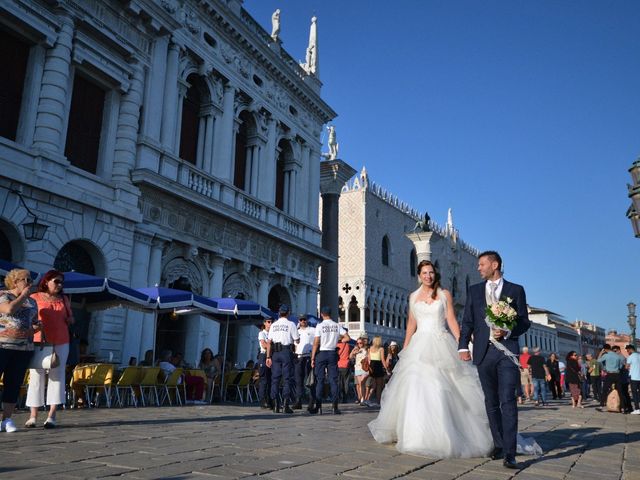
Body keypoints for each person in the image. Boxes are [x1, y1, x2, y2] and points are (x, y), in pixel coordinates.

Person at [368, 260, 494, 458]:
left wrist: (462, 343)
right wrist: (406, 348)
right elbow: (411, 323)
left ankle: (445, 434)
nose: (429, 276)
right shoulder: (412, 297)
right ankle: (415, 436)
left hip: (440, 342)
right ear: (419, 275)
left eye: (431, 273)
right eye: (425, 273)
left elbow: (451, 319)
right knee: (416, 388)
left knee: (440, 386)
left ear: (435, 274)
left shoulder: (444, 295)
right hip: (419, 345)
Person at [458, 251, 530, 469]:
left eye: (481, 264)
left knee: (507, 399)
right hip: (483, 352)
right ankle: (498, 443)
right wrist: (462, 345)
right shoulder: (474, 291)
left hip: (507, 351)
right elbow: (468, 321)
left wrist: (507, 331)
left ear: (495, 264)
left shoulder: (515, 290)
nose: (478, 268)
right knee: (491, 402)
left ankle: (510, 452)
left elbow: (524, 322)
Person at [26, 270, 74, 429]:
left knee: (57, 375)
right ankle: (33, 415)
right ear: (46, 281)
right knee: (36, 375)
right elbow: (28, 317)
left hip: (61, 340)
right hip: (39, 340)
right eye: (56, 281)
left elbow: (70, 318)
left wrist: (70, 319)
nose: (60, 285)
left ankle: (52, 414)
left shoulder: (64, 299)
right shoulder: (35, 297)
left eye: (61, 282)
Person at [0, 269, 38, 433]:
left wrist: (36, 328)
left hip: (24, 348)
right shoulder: (4, 295)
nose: (29, 282)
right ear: (15, 281)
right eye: (25, 279)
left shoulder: (33, 302)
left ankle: (6, 419)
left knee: (14, 384)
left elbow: (33, 321)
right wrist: (23, 296)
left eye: (30, 280)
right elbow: (8, 310)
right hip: (3, 346)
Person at [310, 306, 349, 414]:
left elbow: (316, 342)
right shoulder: (336, 325)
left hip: (322, 353)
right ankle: (334, 407)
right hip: (332, 352)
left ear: (322, 314)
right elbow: (347, 338)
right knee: (333, 380)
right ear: (330, 314)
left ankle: (318, 407)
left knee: (320, 380)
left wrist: (313, 357)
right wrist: (337, 339)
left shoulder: (320, 326)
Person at [266, 305, 299, 414]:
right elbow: (297, 340)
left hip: (275, 353)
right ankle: (285, 405)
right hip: (286, 352)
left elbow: (269, 343)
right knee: (287, 379)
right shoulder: (291, 324)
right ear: (288, 313)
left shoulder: (274, 325)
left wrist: (268, 357)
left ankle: (275, 405)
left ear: (279, 313)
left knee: (275, 379)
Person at [292, 314, 315, 410]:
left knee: (310, 380)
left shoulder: (313, 330)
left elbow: (317, 342)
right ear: (299, 321)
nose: (303, 321)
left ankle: (311, 401)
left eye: (304, 319)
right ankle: (298, 401)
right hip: (298, 357)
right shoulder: (296, 332)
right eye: (301, 320)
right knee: (298, 380)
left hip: (308, 357)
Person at [598, 343, 626, 410]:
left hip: (610, 375)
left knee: (604, 390)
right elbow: (620, 366)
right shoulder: (617, 356)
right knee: (620, 391)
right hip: (617, 374)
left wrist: (601, 353)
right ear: (610, 348)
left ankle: (601, 406)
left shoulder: (606, 355)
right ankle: (623, 408)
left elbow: (598, 360)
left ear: (604, 349)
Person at [366, 336, 389, 407]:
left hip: (372, 366)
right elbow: (382, 360)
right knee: (379, 385)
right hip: (378, 366)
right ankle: (378, 401)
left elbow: (369, 359)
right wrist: (386, 369)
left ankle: (368, 399)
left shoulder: (370, 349)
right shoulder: (381, 349)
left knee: (373, 385)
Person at [257, 318, 272, 409]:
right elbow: (264, 345)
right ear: (265, 323)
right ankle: (262, 401)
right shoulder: (262, 333)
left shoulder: (273, 333)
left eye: (271, 322)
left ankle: (270, 400)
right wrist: (272, 347)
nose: (270, 323)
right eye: (268, 322)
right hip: (263, 356)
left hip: (271, 356)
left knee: (271, 380)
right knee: (264, 380)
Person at [350, 335, 369, 404]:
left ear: (363, 343)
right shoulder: (356, 349)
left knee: (362, 383)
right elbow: (350, 357)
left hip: (364, 368)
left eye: (360, 343)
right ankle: (362, 398)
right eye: (357, 343)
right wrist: (353, 352)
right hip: (357, 368)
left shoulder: (366, 349)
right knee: (361, 384)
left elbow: (369, 358)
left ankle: (362, 398)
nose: (359, 344)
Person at [336, 334, 352, 403]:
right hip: (346, 365)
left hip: (338, 365)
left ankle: (340, 396)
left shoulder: (336, 346)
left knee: (339, 382)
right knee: (346, 382)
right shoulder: (348, 345)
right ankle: (345, 398)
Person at [625, 344, 640, 414]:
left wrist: (629, 367)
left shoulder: (630, 357)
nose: (627, 352)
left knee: (634, 393)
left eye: (627, 350)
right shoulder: (639, 355)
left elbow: (626, 367)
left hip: (634, 377)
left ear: (630, 349)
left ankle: (637, 409)